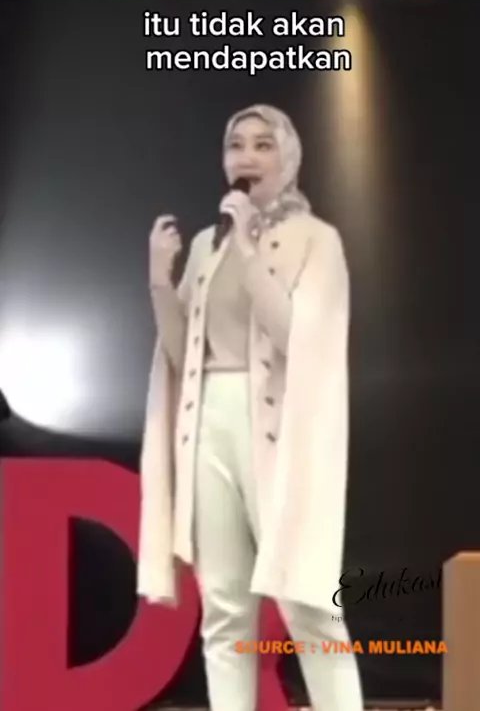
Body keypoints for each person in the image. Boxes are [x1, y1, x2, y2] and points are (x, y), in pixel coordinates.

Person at [137, 104, 364, 711]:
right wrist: (160, 281)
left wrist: (247, 250)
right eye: (237, 145)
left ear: (288, 158)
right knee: (225, 607)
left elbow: (299, 339)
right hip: (207, 420)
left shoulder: (317, 240)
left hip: (281, 431)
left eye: (264, 145)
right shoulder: (207, 243)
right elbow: (183, 352)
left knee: (309, 603)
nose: (247, 157)